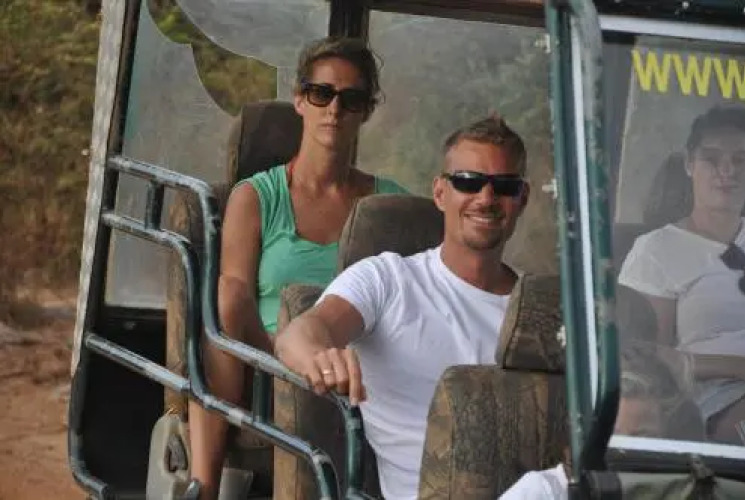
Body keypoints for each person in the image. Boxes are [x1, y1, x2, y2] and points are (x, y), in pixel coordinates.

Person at [188, 37, 408, 500]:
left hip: (359, 370)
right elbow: (235, 298)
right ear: (300, 100)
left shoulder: (389, 205)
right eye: (321, 93)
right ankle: (203, 487)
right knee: (225, 297)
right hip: (267, 362)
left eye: (350, 99)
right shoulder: (256, 197)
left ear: (366, 111)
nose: (334, 109)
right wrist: (288, 353)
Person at [275, 116, 530, 499]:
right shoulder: (388, 280)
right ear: (440, 193)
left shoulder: (540, 309)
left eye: (504, 186)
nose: (486, 198)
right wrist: (322, 357)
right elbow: (301, 333)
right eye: (468, 182)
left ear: (522, 198)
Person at [619, 105, 745, 446]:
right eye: (712, 159)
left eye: (741, 160)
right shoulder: (656, 250)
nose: (727, 171)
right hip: (716, 396)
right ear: (689, 165)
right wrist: (742, 367)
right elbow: (649, 357)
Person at [500, 341, 704, 499]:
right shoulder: (545, 492)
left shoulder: (679, 492)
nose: (623, 453)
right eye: (611, 436)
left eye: (643, 438)